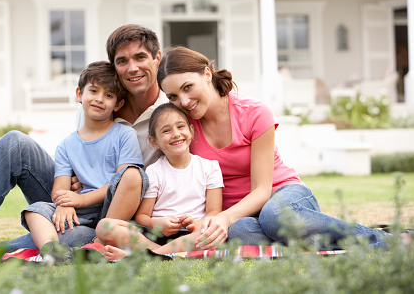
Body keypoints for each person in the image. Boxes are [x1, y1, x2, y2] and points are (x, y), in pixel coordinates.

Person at [0, 24, 167, 266]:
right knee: (15, 143)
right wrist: (68, 194)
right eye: (122, 61)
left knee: (61, 242)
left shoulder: (171, 112)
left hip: (124, 216)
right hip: (78, 205)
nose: (132, 68)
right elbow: (74, 163)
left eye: (140, 57)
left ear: (156, 59)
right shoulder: (93, 109)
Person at [156, 46, 394, 251]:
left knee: (275, 217)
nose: (184, 102)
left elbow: (262, 190)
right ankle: (319, 242)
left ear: (207, 74)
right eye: (173, 96)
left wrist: (223, 217)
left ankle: (381, 239)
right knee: (240, 234)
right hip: (241, 216)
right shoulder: (183, 129)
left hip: (283, 197)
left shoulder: (254, 113)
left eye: (188, 87)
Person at [22, 61, 145, 253]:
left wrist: (78, 200)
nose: (99, 99)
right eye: (94, 91)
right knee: (34, 211)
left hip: (113, 214)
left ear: (118, 104)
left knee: (132, 174)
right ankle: (54, 250)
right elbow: (59, 190)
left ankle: (98, 240)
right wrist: (65, 204)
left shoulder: (124, 134)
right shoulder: (66, 145)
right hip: (81, 218)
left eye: (109, 95)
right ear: (79, 94)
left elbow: (124, 181)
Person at [95, 103, 223, 261]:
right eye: (166, 130)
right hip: (154, 236)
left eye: (180, 126)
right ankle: (158, 253)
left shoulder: (210, 167)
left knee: (211, 231)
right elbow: (142, 216)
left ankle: (144, 255)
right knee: (104, 226)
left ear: (191, 130)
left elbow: (214, 212)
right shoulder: (154, 171)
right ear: (154, 142)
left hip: (191, 235)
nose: (176, 134)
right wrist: (158, 224)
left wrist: (196, 224)